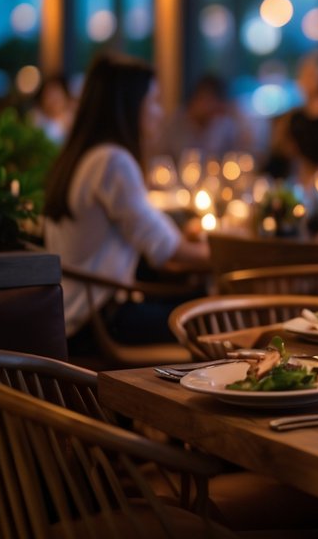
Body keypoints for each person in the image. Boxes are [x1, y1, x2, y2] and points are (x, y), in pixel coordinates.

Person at [44, 52, 210, 350]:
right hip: (99, 323)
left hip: (73, 317)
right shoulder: (112, 161)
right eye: (154, 101)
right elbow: (167, 248)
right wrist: (226, 256)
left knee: (204, 306)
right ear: (129, 105)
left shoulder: (83, 156)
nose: (160, 112)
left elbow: (154, 236)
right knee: (218, 317)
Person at [266, 49, 318, 185]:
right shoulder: (297, 112)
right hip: (298, 178)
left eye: (310, 75)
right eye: (303, 73)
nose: (302, 80)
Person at [157, 73, 255, 161]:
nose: (208, 105)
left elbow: (237, 156)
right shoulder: (177, 122)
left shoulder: (223, 124)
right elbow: (165, 157)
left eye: (212, 101)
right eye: (204, 99)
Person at [30, 73, 76, 145]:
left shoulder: (73, 118)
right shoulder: (37, 120)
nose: (53, 99)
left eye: (56, 93)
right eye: (49, 95)